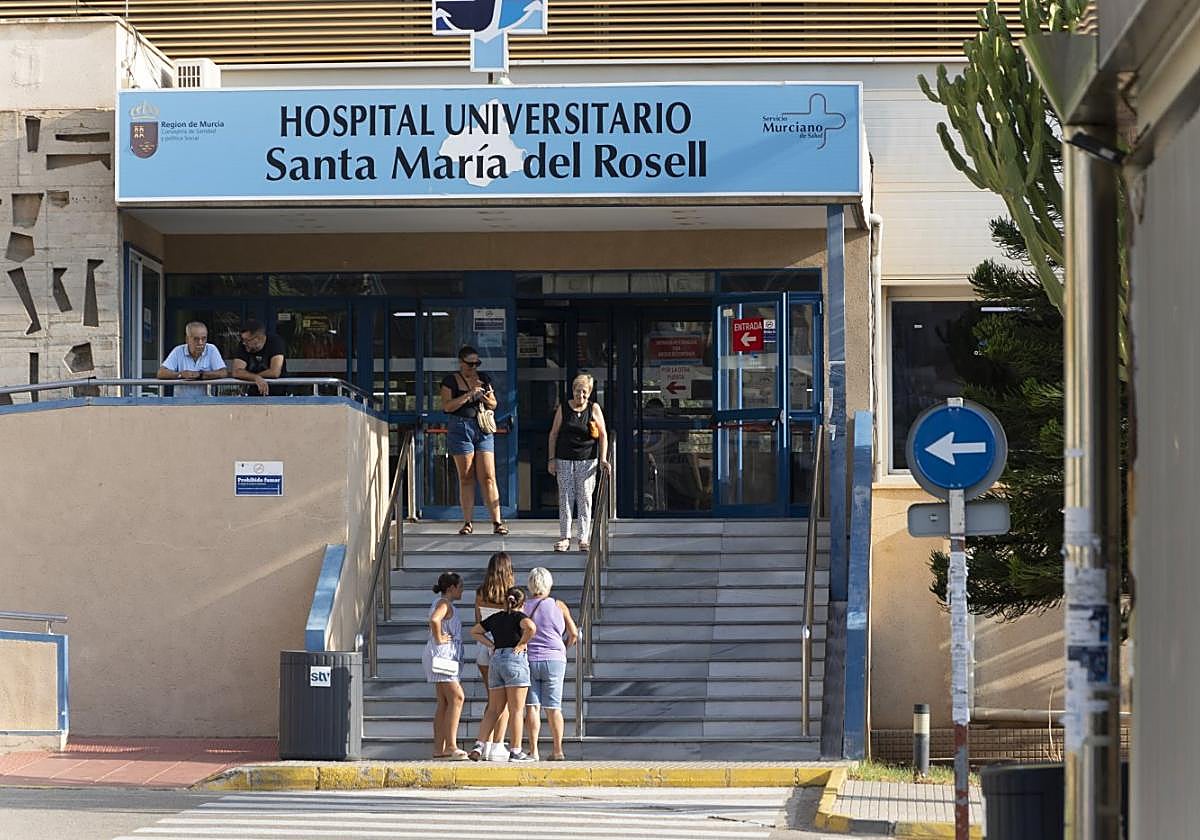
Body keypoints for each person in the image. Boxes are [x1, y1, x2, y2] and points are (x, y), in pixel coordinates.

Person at [440, 345, 507, 535]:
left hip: (482, 427)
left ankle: (497, 522)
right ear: (461, 363)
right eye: (470, 364)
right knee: (466, 476)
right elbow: (447, 407)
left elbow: (494, 404)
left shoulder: (484, 378)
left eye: (477, 363)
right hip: (460, 428)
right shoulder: (450, 381)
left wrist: (483, 396)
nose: (474, 367)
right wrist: (469, 395)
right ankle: (468, 522)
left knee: (488, 476)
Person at [469, 586, 537, 762]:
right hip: (515, 659)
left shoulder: (496, 617)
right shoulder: (519, 617)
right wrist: (522, 643)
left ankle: (479, 745)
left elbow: (474, 631)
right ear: (522, 603)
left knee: (493, 708)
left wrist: (491, 644)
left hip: (496, 659)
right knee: (516, 710)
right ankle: (516, 750)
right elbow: (530, 627)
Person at [547, 373, 609, 551]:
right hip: (564, 459)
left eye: (584, 392)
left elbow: (603, 435)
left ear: (589, 393)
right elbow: (554, 434)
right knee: (565, 497)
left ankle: (583, 538)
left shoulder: (593, 408)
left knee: (585, 498)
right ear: (573, 391)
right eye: (577, 391)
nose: (580, 395)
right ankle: (565, 537)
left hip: (587, 460)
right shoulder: (564, 408)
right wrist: (551, 459)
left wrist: (603, 458)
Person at [522, 567, 578, 761]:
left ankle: (534, 750)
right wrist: (563, 646)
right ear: (549, 584)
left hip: (529, 659)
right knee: (554, 707)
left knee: (532, 706)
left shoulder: (523, 606)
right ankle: (557, 750)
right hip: (555, 659)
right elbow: (574, 633)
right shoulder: (558, 605)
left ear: (530, 584)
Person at [468, 551, 515, 762]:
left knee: (492, 699)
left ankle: (484, 744)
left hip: (483, 646)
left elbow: (478, 620)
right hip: (502, 648)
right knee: (503, 702)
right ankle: (498, 744)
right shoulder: (510, 595)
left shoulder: (481, 592)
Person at [422, 571, 468, 761]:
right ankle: (451, 745)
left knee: (444, 701)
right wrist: (439, 637)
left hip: (441, 656)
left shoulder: (444, 603)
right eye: (460, 587)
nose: (462, 591)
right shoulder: (444, 604)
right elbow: (435, 619)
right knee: (457, 697)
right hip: (443, 656)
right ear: (451, 588)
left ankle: (439, 747)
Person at [156, 321, 227, 398]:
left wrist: (202, 375)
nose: (200, 343)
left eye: (204, 338)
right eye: (196, 339)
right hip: (182, 402)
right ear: (187, 339)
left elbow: (223, 372)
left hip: (206, 402)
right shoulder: (178, 351)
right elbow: (161, 373)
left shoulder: (211, 349)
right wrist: (181, 374)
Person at [231, 319, 287, 396]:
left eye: (247, 340)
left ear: (258, 338)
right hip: (253, 393)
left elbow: (275, 372)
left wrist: (253, 376)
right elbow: (236, 372)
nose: (244, 343)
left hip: (278, 394)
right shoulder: (243, 345)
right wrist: (255, 378)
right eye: (243, 339)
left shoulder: (275, 342)